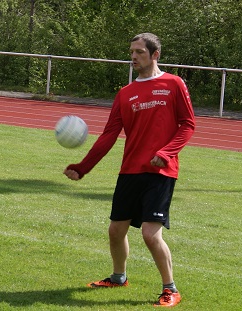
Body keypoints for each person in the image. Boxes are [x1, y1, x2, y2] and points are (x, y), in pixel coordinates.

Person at [63, 32, 195, 308]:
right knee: (115, 230)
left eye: (139, 52)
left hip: (161, 171)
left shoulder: (173, 84)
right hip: (130, 171)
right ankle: (118, 277)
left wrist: (166, 153)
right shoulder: (125, 93)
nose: (133, 56)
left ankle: (170, 288)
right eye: (131, 52)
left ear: (155, 54)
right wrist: (82, 167)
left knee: (149, 234)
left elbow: (187, 125)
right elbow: (109, 135)